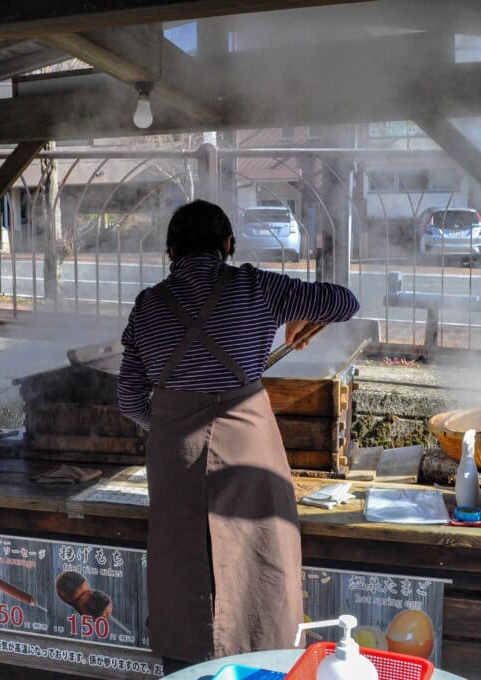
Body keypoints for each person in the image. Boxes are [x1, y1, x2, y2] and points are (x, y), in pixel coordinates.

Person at [117, 199, 359, 672]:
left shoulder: (147, 306)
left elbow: (129, 401)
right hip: (250, 445)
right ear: (228, 244)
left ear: (170, 250)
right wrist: (298, 317)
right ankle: (264, 665)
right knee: (260, 561)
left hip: (174, 455)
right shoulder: (258, 286)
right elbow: (345, 302)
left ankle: (188, 672)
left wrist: (172, 426)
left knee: (183, 567)